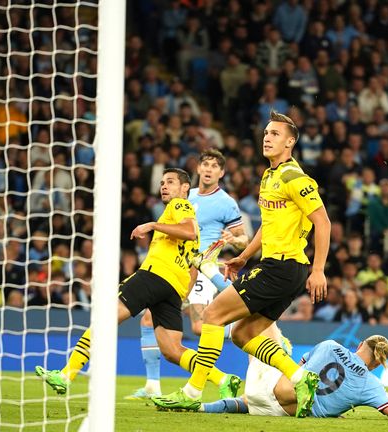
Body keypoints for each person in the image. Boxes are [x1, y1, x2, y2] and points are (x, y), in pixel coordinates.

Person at [152, 111, 331, 417]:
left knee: (212, 315)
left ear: (289, 142)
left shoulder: (294, 177)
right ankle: (302, 378)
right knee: (242, 335)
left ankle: (192, 393)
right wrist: (246, 254)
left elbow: (323, 222)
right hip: (283, 270)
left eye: (274, 134)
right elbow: (268, 224)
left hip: (284, 267)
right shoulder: (269, 176)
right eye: (265, 132)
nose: (267, 137)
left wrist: (318, 270)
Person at [35, 169, 240, 398]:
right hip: (173, 287)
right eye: (162, 182)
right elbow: (193, 263)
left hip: (154, 275)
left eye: (171, 182)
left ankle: (66, 375)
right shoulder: (177, 215)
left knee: (105, 319)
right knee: (173, 350)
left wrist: (152, 225)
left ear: (185, 188)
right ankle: (222, 379)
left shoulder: (179, 206)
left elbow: (189, 232)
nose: (164, 186)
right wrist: (183, 294)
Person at [130, 149, 249, 400]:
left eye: (214, 166)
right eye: (204, 164)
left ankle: (245, 329)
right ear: (197, 169)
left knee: (198, 326)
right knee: (148, 320)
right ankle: (152, 384)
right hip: (176, 269)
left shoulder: (226, 202)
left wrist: (233, 240)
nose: (208, 169)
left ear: (222, 173)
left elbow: (244, 238)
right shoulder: (187, 195)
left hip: (202, 269)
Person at [196, 336, 388, 421]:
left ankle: (201, 404)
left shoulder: (330, 345)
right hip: (285, 411)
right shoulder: (371, 384)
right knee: (248, 402)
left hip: (270, 386)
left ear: (359, 345)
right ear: (378, 363)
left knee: (258, 337)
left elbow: (296, 369)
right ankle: (204, 406)